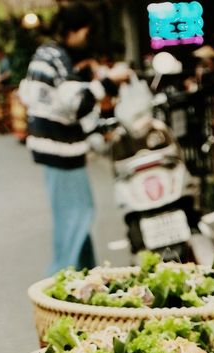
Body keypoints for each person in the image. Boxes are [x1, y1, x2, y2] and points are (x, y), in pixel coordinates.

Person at [20, 1, 130, 274]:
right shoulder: (56, 57)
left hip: (55, 147)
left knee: (75, 216)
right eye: (85, 32)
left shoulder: (49, 55)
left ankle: (84, 276)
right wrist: (109, 81)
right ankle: (59, 285)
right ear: (75, 30)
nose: (86, 39)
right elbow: (77, 103)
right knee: (76, 216)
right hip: (60, 149)